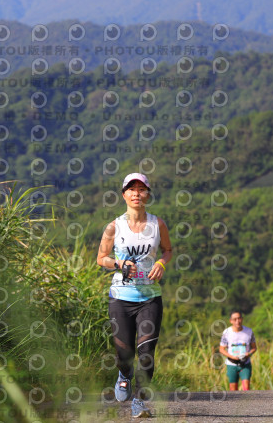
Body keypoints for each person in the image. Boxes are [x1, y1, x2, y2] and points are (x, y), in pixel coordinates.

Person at [97, 173, 172, 418]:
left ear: (148, 194)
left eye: (141, 189)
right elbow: (101, 259)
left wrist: (161, 262)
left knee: (147, 353)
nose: (136, 193)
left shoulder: (158, 224)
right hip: (121, 298)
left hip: (150, 298)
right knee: (124, 353)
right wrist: (119, 264)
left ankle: (139, 401)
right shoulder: (114, 226)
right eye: (131, 189)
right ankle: (124, 373)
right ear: (124, 195)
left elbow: (168, 250)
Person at [219, 311, 257, 391]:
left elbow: (254, 348)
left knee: (246, 388)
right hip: (232, 364)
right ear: (231, 321)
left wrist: (248, 354)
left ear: (242, 319)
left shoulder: (249, 331)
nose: (237, 321)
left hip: (245, 363)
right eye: (235, 319)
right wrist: (232, 357)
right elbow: (221, 349)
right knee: (233, 390)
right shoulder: (226, 332)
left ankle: (246, 400)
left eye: (239, 318)